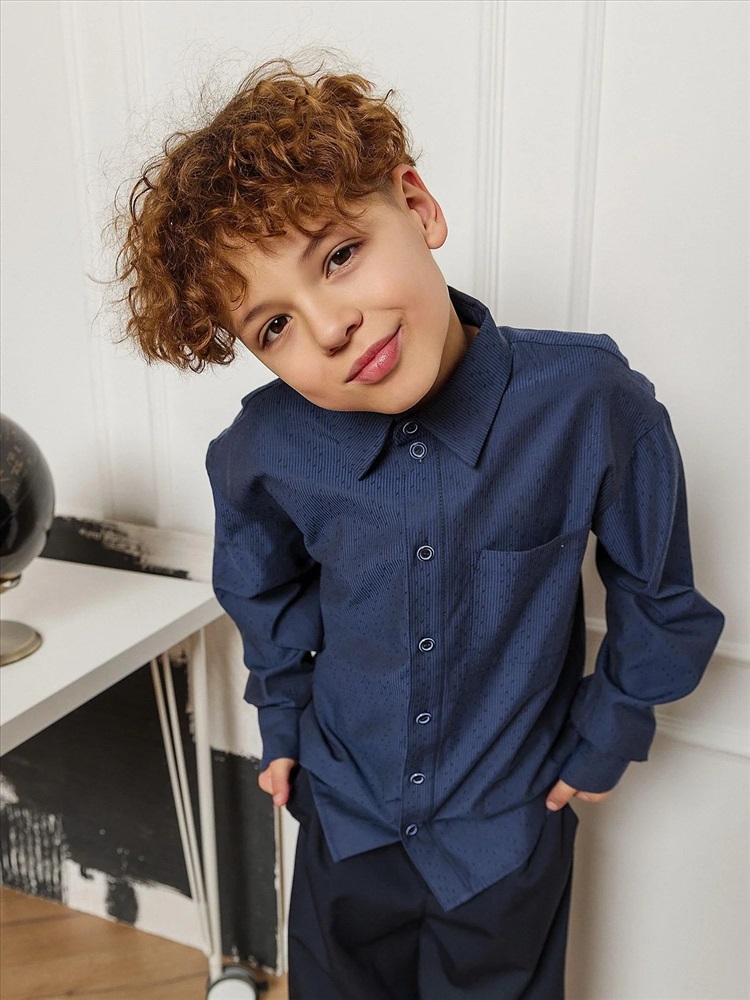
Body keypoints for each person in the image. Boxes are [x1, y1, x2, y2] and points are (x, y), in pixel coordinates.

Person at [116, 59, 725, 999]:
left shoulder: (591, 403)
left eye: (337, 255)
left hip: (503, 839)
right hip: (343, 824)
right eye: (273, 326)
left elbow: (661, 597)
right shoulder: (262, 450)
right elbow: (261, 587)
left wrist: (608, 735)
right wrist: (282, 722)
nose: (328, 326)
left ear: (417, 205)